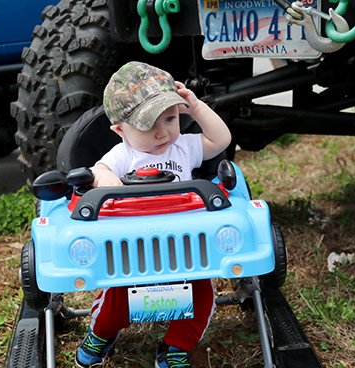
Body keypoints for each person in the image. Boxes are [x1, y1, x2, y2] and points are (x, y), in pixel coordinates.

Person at [75, 61, 232, 368]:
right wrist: (107, 181)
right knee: (115, 304)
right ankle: (101, 333)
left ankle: (175, 346)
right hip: (133, 251)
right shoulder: (123, 155)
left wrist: (196, 108)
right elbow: (99, 170)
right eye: (150, 125)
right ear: (120, 130)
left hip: (185, 246)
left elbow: (221, 140)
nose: (163, 133)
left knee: (202, 300)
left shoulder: (184, 147)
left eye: (170, 118)